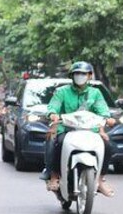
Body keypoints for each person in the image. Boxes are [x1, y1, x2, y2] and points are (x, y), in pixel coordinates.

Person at [41, 61, 115, 196]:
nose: (80, 76)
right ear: (72, 76)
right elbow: (53, 107)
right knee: (57, 143)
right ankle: (54, 176)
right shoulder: (62, 92)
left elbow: (103, 111)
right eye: (77, 73)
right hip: (67, 129)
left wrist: (106, 119)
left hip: (90, 131)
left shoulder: (96, 93)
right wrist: (53, 115)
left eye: (83, 73)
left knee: (107, 145)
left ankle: (100, 180)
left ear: (89, 76)